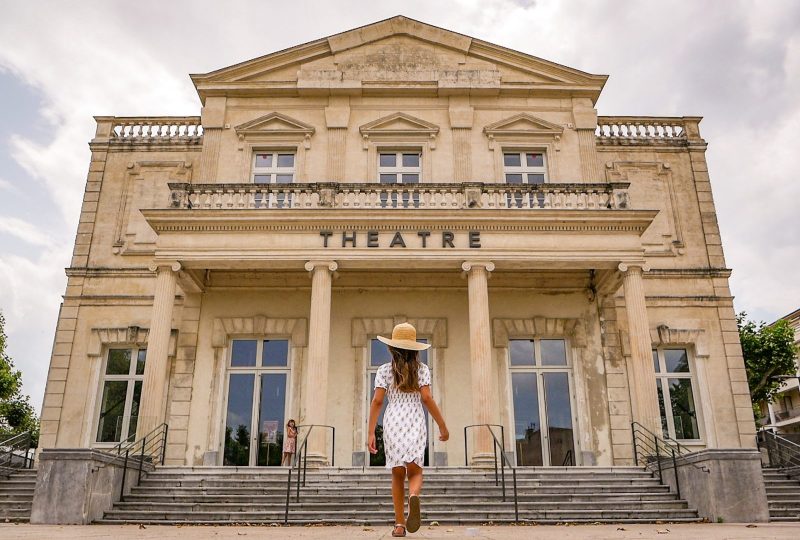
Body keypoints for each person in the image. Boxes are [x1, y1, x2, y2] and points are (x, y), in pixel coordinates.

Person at [368, 322, 449, 537]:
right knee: (415, 470)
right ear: (415, 349)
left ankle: (399, 525)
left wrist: (369, 433)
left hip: (393, 419)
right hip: (414, 418)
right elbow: (426, 398)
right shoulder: (421, 370)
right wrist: (442, 425)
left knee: (397, 474)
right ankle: (414, 495)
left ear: (391, 348)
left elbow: (377, 401)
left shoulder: (384, 370)